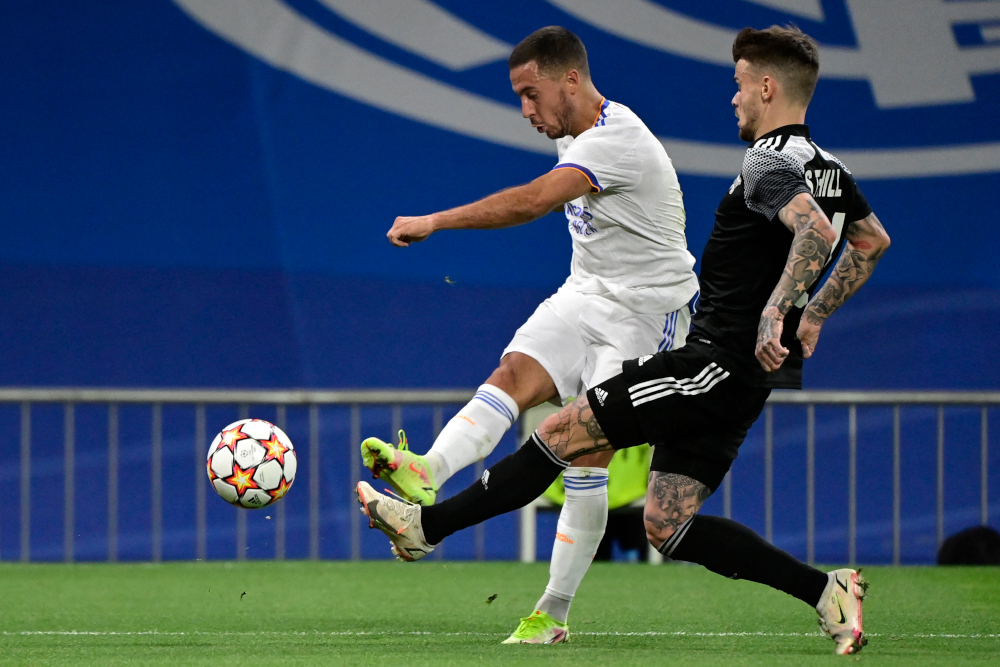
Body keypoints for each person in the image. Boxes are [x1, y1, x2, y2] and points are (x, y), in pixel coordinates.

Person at [356, 25, 890, 656]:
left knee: (564, 433)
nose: (734, 98)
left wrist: (779, 312)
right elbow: (869, 240)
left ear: (768, 88)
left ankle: (429, 527)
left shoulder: (767, 159)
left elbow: (816, 236)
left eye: (741, 84)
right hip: (742, 372)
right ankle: (827, 592)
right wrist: (815, 315)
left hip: (712, 359)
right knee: (667, 522)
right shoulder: (831, 168)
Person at [358, 26, 698, 644]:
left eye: (529, 93)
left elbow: (534, 202)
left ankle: (553, 613)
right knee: (512, 375)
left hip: (648, 315)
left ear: (571, 79)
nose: (525, 110)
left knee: (586, 453)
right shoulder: (575, 137)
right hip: (585, 292)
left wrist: (436, 221)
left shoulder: (616, 139)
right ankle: (427, 468)